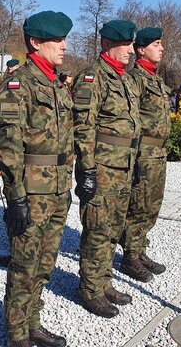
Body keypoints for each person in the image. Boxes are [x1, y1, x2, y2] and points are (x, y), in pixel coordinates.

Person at [0, 10, 74, 347]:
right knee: (24, 264)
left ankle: (33, 323)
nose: (65, 46)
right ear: (36, 42)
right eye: (57, 40)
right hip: (32, 190)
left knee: (45, 263)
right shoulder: (17, 85)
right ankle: (16, 335)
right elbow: (7, 146)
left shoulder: (55, 83)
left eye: (65, 39)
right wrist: (17, 196)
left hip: (58, 188)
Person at [72, 19, 140, 319]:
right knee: (97, 230)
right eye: (124, 44)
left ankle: (104, 281)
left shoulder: (124, 78)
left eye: (131, 44)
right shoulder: (93, 77)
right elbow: (83, 127)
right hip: (101, 168)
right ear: (107, 45)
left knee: (113, 230)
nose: (130, 50)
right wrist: (87, 170)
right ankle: (89, 290)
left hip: (123, 167)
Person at [120, 27, 169, 283]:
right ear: (141, 49)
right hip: (144, 153)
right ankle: (130, 257)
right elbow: (131, 119)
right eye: (156, 44)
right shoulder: (135, 79)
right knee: (139, 206)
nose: (161, 48)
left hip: (157, 152)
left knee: (151, 206)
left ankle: (139, 250)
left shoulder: (155, 79)